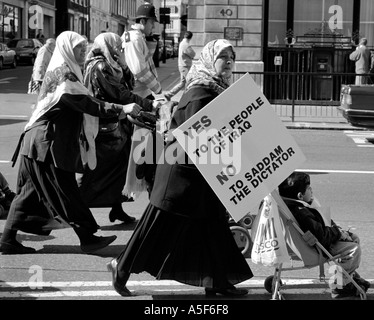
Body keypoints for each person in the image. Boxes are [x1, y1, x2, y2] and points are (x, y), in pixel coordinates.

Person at [107, 39, 254, 297]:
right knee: (155, 228)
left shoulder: (215, 90)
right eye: (223, 56)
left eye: (232, 56)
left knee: (212, 226)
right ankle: (120, 266)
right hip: (180, 174)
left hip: (200, 172)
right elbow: (199, 138)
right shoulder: (200, 93)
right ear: (210, 60)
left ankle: (217, 282)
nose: (229, 61)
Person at [0, 31, 143, 255]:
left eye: (84, 46)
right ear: (67, 49)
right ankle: (87, 237)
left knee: (27, 193)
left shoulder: (65, 72)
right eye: (79, 47)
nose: (83, 51)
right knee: (67, 191)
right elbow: (87, 104)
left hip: (37, 142)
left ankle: (7, 240)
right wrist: (120, 108)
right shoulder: (65, 76)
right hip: (46, 144)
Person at [77, 32, 160, 224]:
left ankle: (117, 208)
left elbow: (129, 84)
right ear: (108, 45)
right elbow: (121, 93)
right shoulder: (100, 66)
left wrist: (123, 63)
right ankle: (76, 211)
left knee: (119, 170)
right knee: (96, 172)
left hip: (115, 124)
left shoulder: (110, 64)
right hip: (104, 127)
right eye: (117, 44)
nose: (121, 47)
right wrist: (150, 105)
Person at [278, 171, 370, 299]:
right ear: (300, 195)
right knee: (354, 249)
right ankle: (339, 286)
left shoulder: (296, 207)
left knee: (354, 238)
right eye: (309, 189)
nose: (312, 190)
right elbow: (321, 236)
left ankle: (349, 277)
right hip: (320, 246)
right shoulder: (302, 213)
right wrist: (338, 233)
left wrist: (340, 233)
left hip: (320, 240)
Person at [121, 2, 162, 100]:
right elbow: (139, 70)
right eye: (152, 22)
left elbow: (147, 60)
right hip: (137, 96)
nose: (153, 27)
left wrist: (150, 42)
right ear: (143, 21)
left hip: (142, 93)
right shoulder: (134, 39)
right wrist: (157, 87)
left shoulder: (138, 37)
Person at [164, 31, 196, 101]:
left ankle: (169, 94)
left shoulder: (182, 43)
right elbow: (193, 54)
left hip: (182, 65)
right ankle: (187, 98)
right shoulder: (186, 44)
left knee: (183, 82)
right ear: (191, 37)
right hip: (185, 65)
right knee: (189, 82)